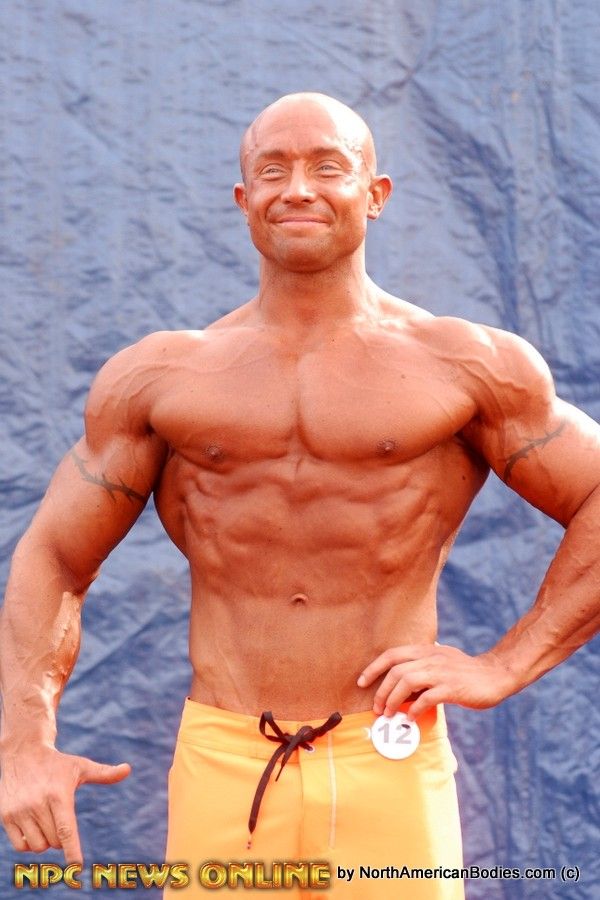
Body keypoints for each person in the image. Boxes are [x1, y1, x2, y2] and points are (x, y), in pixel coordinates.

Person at [1, 91, 599, 899]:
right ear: (243, 198)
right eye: (272, 170)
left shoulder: (465, 365)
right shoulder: (162, 377)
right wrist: (23, 745)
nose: (298, 189)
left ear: (375, 194)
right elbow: (53, 556)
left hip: (389, 753)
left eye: (328, 167)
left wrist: (507, 663)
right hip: (226, 757)